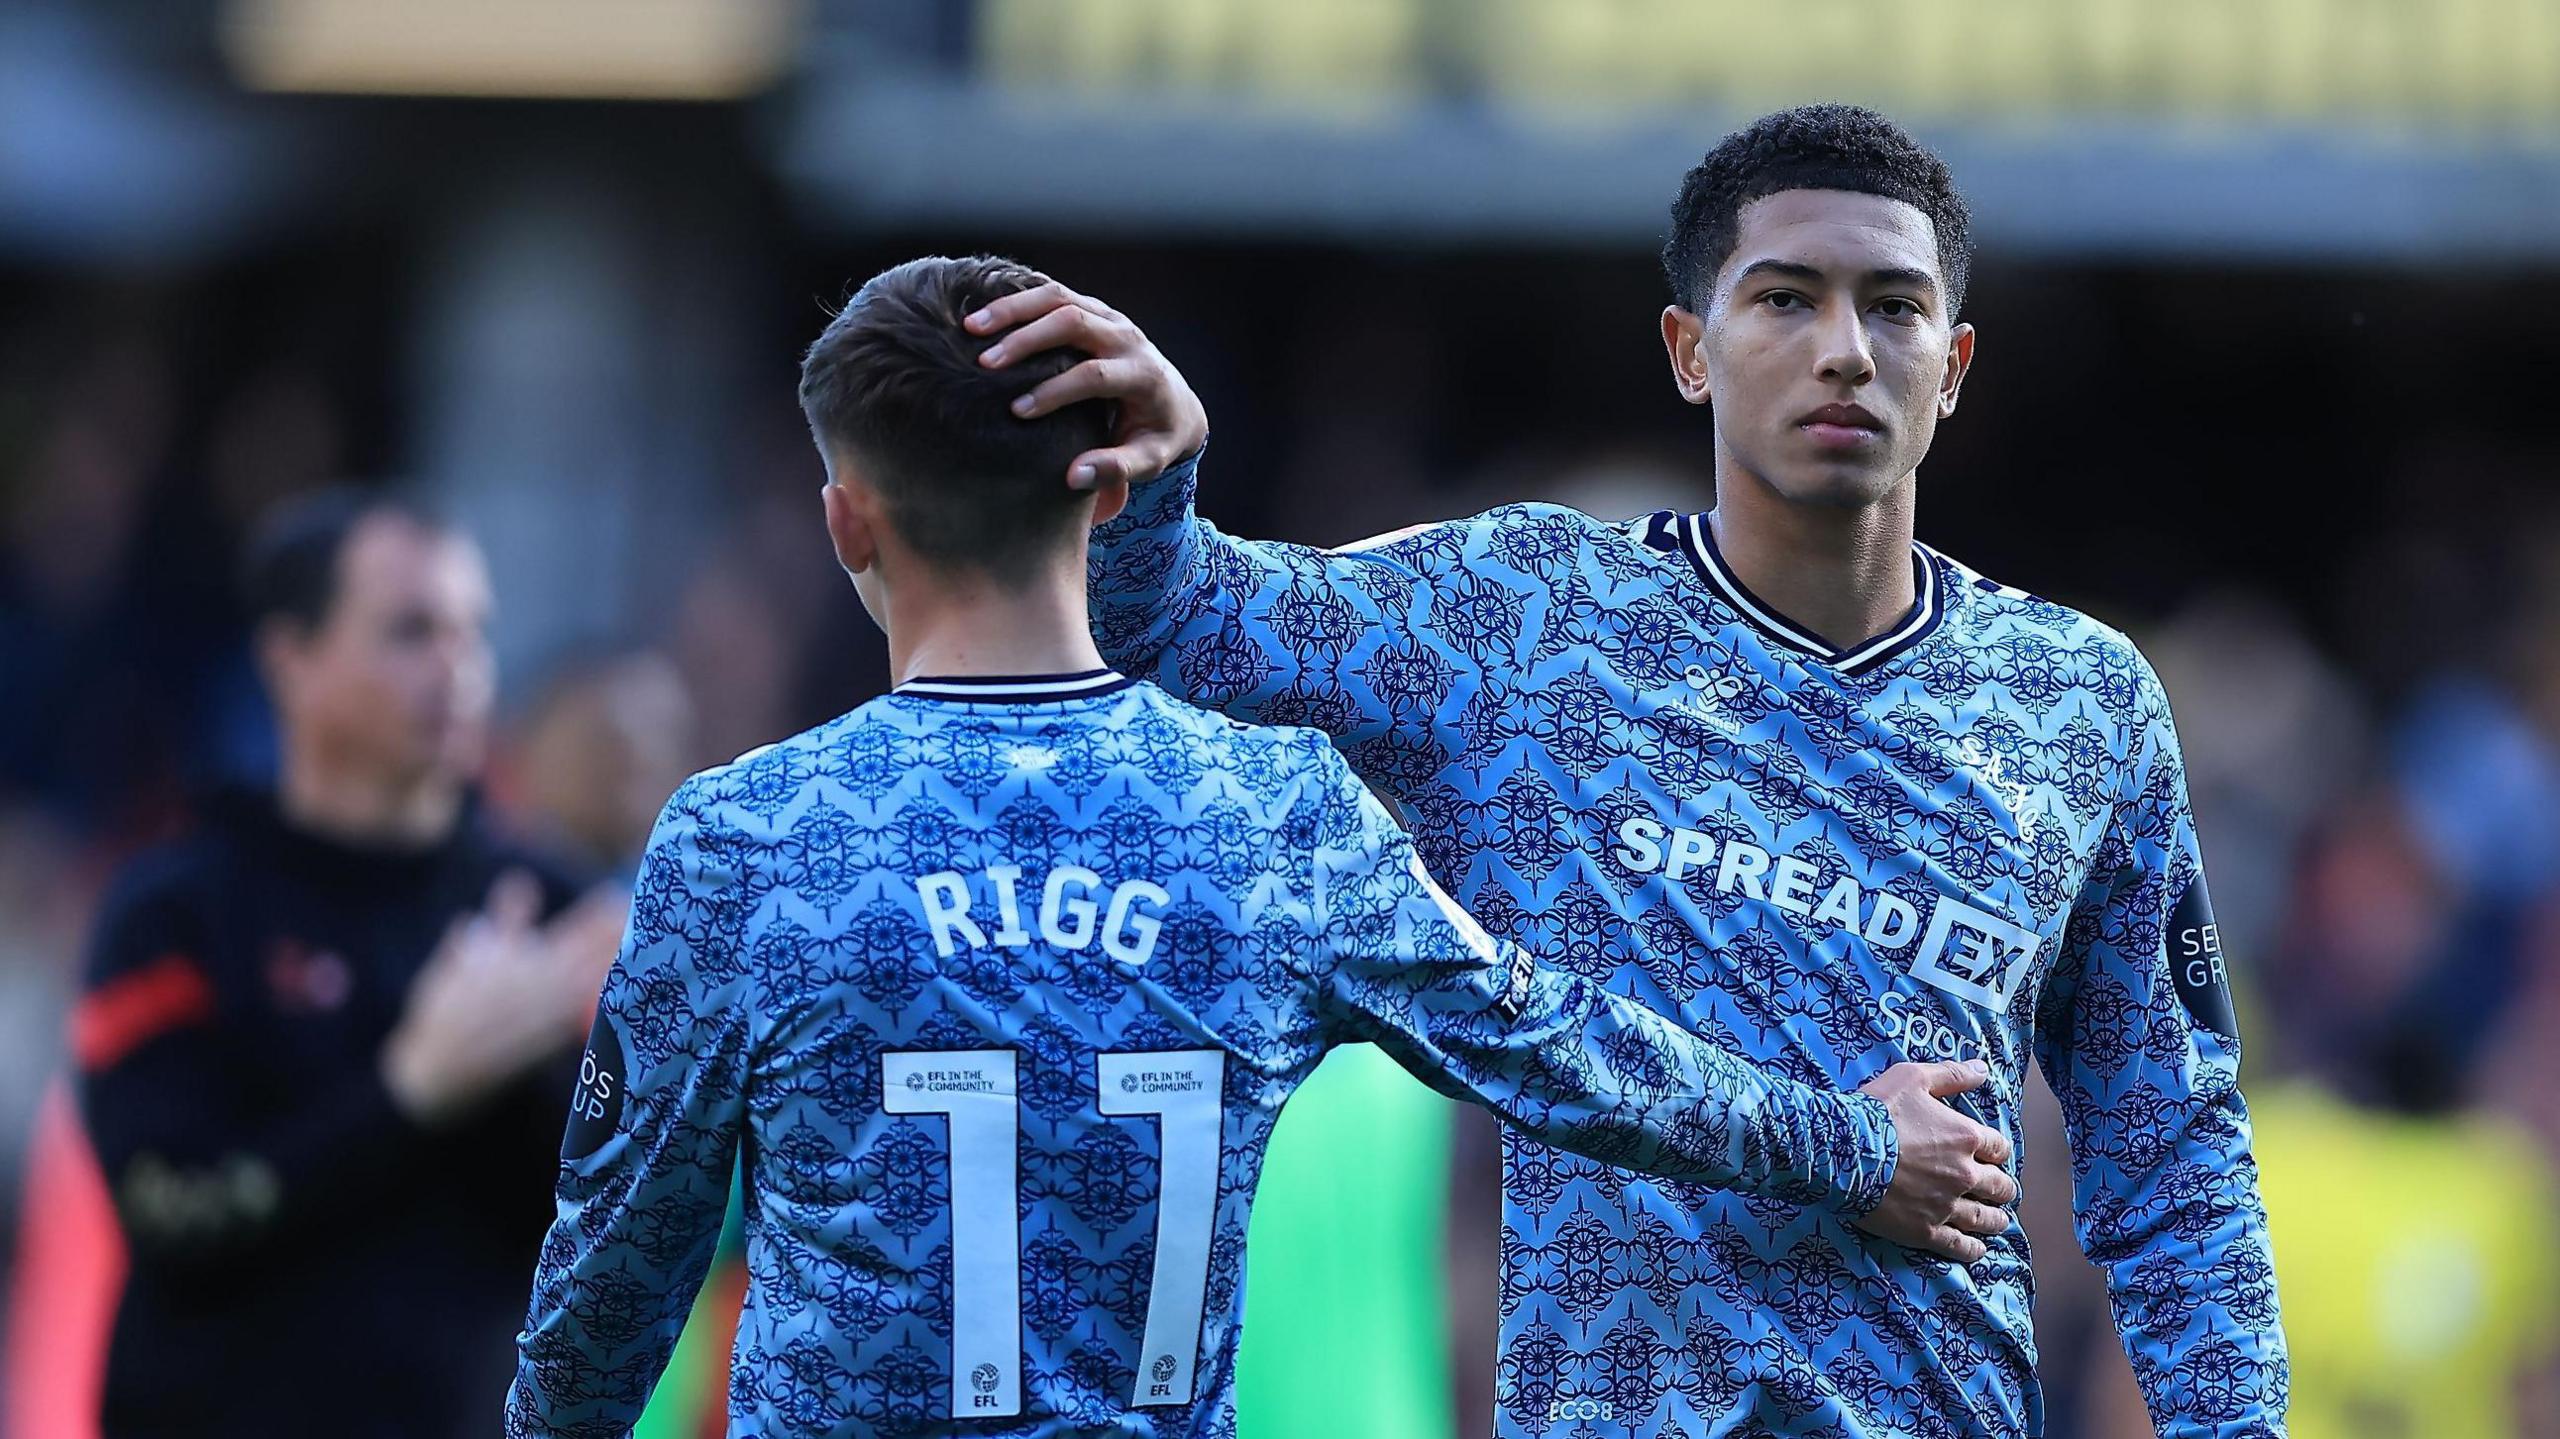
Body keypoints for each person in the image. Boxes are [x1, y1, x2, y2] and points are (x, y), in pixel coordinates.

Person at [504, 254, 2018, 1437]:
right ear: (1103, 486)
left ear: (849, 523)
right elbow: (1568, 1049)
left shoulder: (744, 837)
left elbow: (610, 1287)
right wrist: (1853, 1140)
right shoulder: (1275, 811)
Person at [976, 104, 2288, 1436]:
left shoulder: (2082, 700)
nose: (1844, 351)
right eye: (1785, 299)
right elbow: (1180, 624)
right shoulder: (1529, 616)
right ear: (1690, 350)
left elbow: (2172, 1161)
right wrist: (1156, 473)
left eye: (1892, 309)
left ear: (1950, 367)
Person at [71, 490, 623, 1437]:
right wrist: (411, 1089)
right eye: (412, 631)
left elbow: (628, 1234)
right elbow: (172, 1212)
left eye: (473, 631)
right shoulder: (173, 915)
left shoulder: (556, 915)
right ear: (290, 661)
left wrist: (540, 1065)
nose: (459, 669)